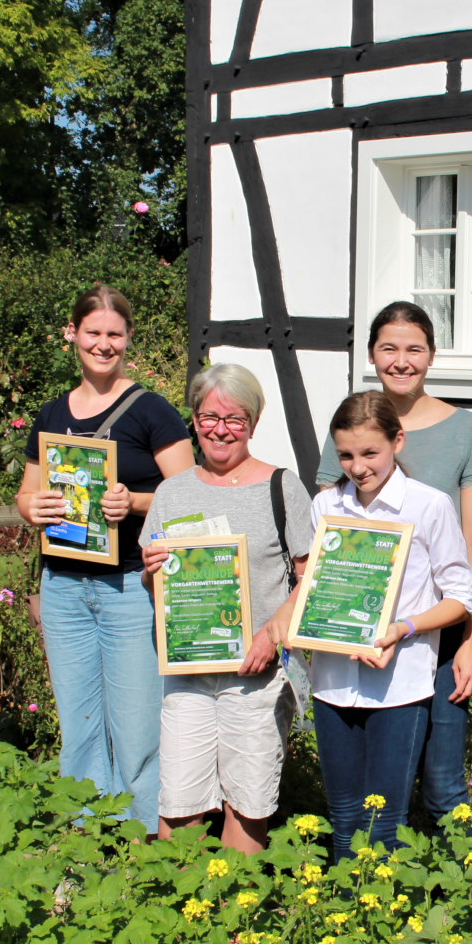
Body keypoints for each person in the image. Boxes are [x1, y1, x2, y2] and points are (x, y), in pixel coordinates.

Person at [272, 392, 472, 860]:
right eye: (345, 454)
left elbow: (460, 598)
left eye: (370, 453)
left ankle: (383, 923)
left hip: (399, 686)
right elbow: (316, 585)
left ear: (396, 441)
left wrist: (402, 628)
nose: (357, 466)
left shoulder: (428, 505)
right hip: (333, 683)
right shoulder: (327, 507)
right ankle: (345, 919)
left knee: (384, 821)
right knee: (343, 816)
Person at [16, 285, 193, 821]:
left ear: (128, 339)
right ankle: (86, 842)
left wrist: (133, 501)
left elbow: (188, 496)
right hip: (64, 587)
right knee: (79, 722)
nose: (103, 344)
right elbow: (25, 495)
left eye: (114, 334)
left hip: (127, 587)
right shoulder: (51, 413)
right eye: (93, 332)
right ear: (73, 334)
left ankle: (139, 846)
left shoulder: (152, 411)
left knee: (137, 725)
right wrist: (35, 509)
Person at [317, 302, 472, 828]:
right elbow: (337, 540)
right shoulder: (353, 428)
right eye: (388, 348)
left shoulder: (465, 429)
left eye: (414, 348)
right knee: (367, 791)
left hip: (435, 627)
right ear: (372, 354)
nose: (401, 360)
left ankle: (463, 897)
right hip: (364, 634)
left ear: (432, 355)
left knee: (441, 783)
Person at [139, 364, 313, 854]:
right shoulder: (172, 494)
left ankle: (237, 923)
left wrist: (272, 634)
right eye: (208, 416)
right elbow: (158, 588)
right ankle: (180, 918)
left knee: (247, 806)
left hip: (255, 678)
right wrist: (153, 569)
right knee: (178, 808)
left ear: (253, 424)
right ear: (193, 421)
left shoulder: (282, 487)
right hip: (189, 677)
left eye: (234, 419)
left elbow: (308, 578)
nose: (220, 429)